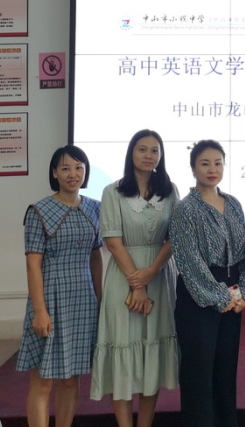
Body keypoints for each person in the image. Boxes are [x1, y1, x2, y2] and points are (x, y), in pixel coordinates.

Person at [90, 129, 180, 427]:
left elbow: (174, 238)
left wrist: (152, 272)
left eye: (155, 150)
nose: (148, 155)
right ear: (131, 153)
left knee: (152, 353)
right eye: (142, 149)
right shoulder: (112, 191)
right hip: (123, 276)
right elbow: (113, 242)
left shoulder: (170, 190)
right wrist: (137, 284)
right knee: (123, 352)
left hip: (159, 275)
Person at [17, 145, 103, 427]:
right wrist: (40, 311)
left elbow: (95, 257)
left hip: (83, 300)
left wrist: (100, 300)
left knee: (71, 379)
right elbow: (33, 265)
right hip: (50, 298)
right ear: (54, 173)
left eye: (79, 168)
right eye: (65, 168)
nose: (72, 174)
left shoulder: (94, 208)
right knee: (43, 381)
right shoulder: (39, 211)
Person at [170, 139, 245, 427]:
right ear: (193, 168)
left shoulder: (234, 204)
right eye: (205, 163)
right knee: (199, 373)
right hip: (198, 298)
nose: (212, 169)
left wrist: (244, 292)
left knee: (225, 372)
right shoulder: (185, 209)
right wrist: (221, 297)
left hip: (233, 295)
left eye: (218, 163)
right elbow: (189, 261)